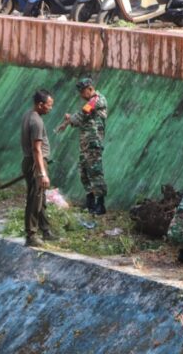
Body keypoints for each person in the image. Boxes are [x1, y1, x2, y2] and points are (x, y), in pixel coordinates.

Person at [63, 77, 108, 215]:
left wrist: (71, 119)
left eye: (83, 92)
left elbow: (83, 112)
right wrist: (71, 120)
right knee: (84, 173)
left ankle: (100, 204)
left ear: (90, 89)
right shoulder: (89, 103)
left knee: (96, 173)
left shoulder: (98, 99)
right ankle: (90, 202)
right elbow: (80, 120)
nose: (82, 95)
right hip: (85, 144)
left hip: (93, 143)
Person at [21, 90, 58, 247]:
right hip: (37, 163)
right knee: (35, 200)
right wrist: (42, 173)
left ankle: (46, 230)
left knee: (41, 198)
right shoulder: (37, 122)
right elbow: (36, 149)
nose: (50, 108)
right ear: (40, 104)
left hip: (32, 162)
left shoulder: (29, 114)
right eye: (49, 105)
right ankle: (31, 235)